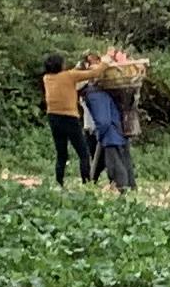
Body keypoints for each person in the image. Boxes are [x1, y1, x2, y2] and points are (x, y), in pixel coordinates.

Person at [76, 55, 140, 196]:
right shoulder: (99, 91)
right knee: (124, 160)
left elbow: (103, 120)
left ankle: (122, 190)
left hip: (111, 133)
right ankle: (130, 189)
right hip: (118, 130)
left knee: (114, 165)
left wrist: (100, 133)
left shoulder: (92, 94)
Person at [37, 52, 93, 185]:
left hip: (53, 117)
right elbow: (92, 74)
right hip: (69, 117)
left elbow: (67, 75)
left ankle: (59, 182)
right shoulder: (70, 76)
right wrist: (106, 64)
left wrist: (78, 67)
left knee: (61, 153)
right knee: (83, 153)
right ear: (60, 65)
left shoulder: (47, 78)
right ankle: (87, 183)